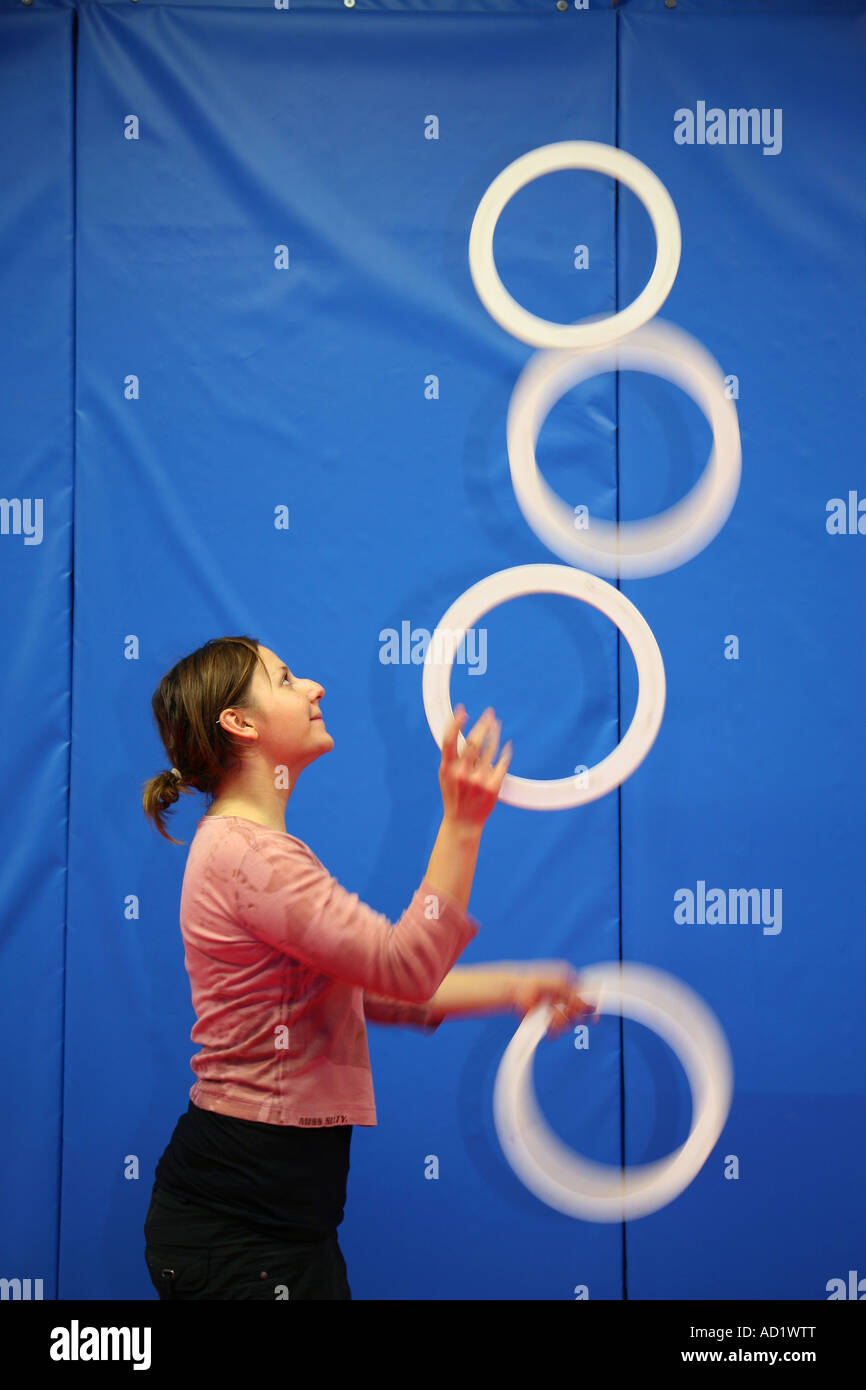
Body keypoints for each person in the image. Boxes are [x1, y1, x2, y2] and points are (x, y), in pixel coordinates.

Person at [140, 634, 593, 1300]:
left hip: (279, 1225)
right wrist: (463, 824)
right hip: (241, 1230)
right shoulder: (250, 858)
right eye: (286, 678)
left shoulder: (253, 850)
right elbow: (404, 968)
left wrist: (516, 987)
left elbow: (377, 993)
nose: (314, 687)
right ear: (239, 723)